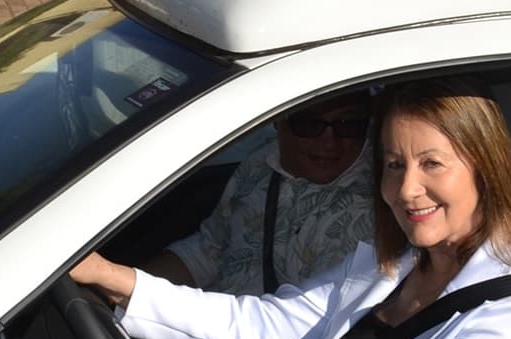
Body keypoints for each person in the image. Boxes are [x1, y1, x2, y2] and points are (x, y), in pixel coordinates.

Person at [68, 80, 511, 339]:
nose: (405, 189)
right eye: (394, 164)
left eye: (432, 164)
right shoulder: (401, 261)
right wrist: (109, 278)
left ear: (486, 167)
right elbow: (267, 324)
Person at [143, 89, 377, 297]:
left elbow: (291, 325)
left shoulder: (369, 211)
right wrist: (131, 291)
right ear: (278, 119)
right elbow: (209, 250)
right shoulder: (261, 162)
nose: (330, 142)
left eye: (348, 125)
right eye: (309, 124)